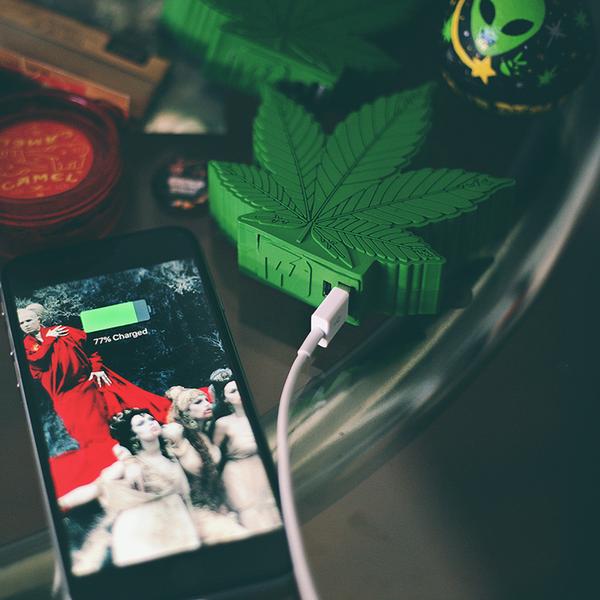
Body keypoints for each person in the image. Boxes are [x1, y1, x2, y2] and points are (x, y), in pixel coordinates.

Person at [18, 303, 172, 497]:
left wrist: (97, 368)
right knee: (80, 431)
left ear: (39, 319)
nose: (25, 325)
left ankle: (130, 468)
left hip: (84, 386)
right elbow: (37, 360)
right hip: (62, 395)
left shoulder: (65, 332)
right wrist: (49, 340)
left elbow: (90, 350)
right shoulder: (26, 346)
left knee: (100, 428)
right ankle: (114, 473)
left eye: (29, 320)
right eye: (21, 323)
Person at [59, 408, 200, 573]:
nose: (150, 423)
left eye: (151, 419)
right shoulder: (131, 465)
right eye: (141, 424)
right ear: (134, 436)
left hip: (178, 524)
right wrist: (60, 504)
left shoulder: (172, 453)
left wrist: (180, 439)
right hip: (142, 530)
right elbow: (96, 488)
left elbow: (195, 474)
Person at [165, 386, 248, 542]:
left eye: (206, 400)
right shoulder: (178, 437)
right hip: (198, 512)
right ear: (185, 412)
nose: (206, 404)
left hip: (221, 504)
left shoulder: (205, 431)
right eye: (198, 402)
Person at [211, 378, 281, 532]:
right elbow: (214, 452)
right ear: (225, 399)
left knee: (270, 505)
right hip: (238, 472)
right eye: (232, 391)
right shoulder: (223, 423)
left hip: (261, 466)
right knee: (250, 511)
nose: (239, 393)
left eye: (239, 388)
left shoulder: (259, 414)